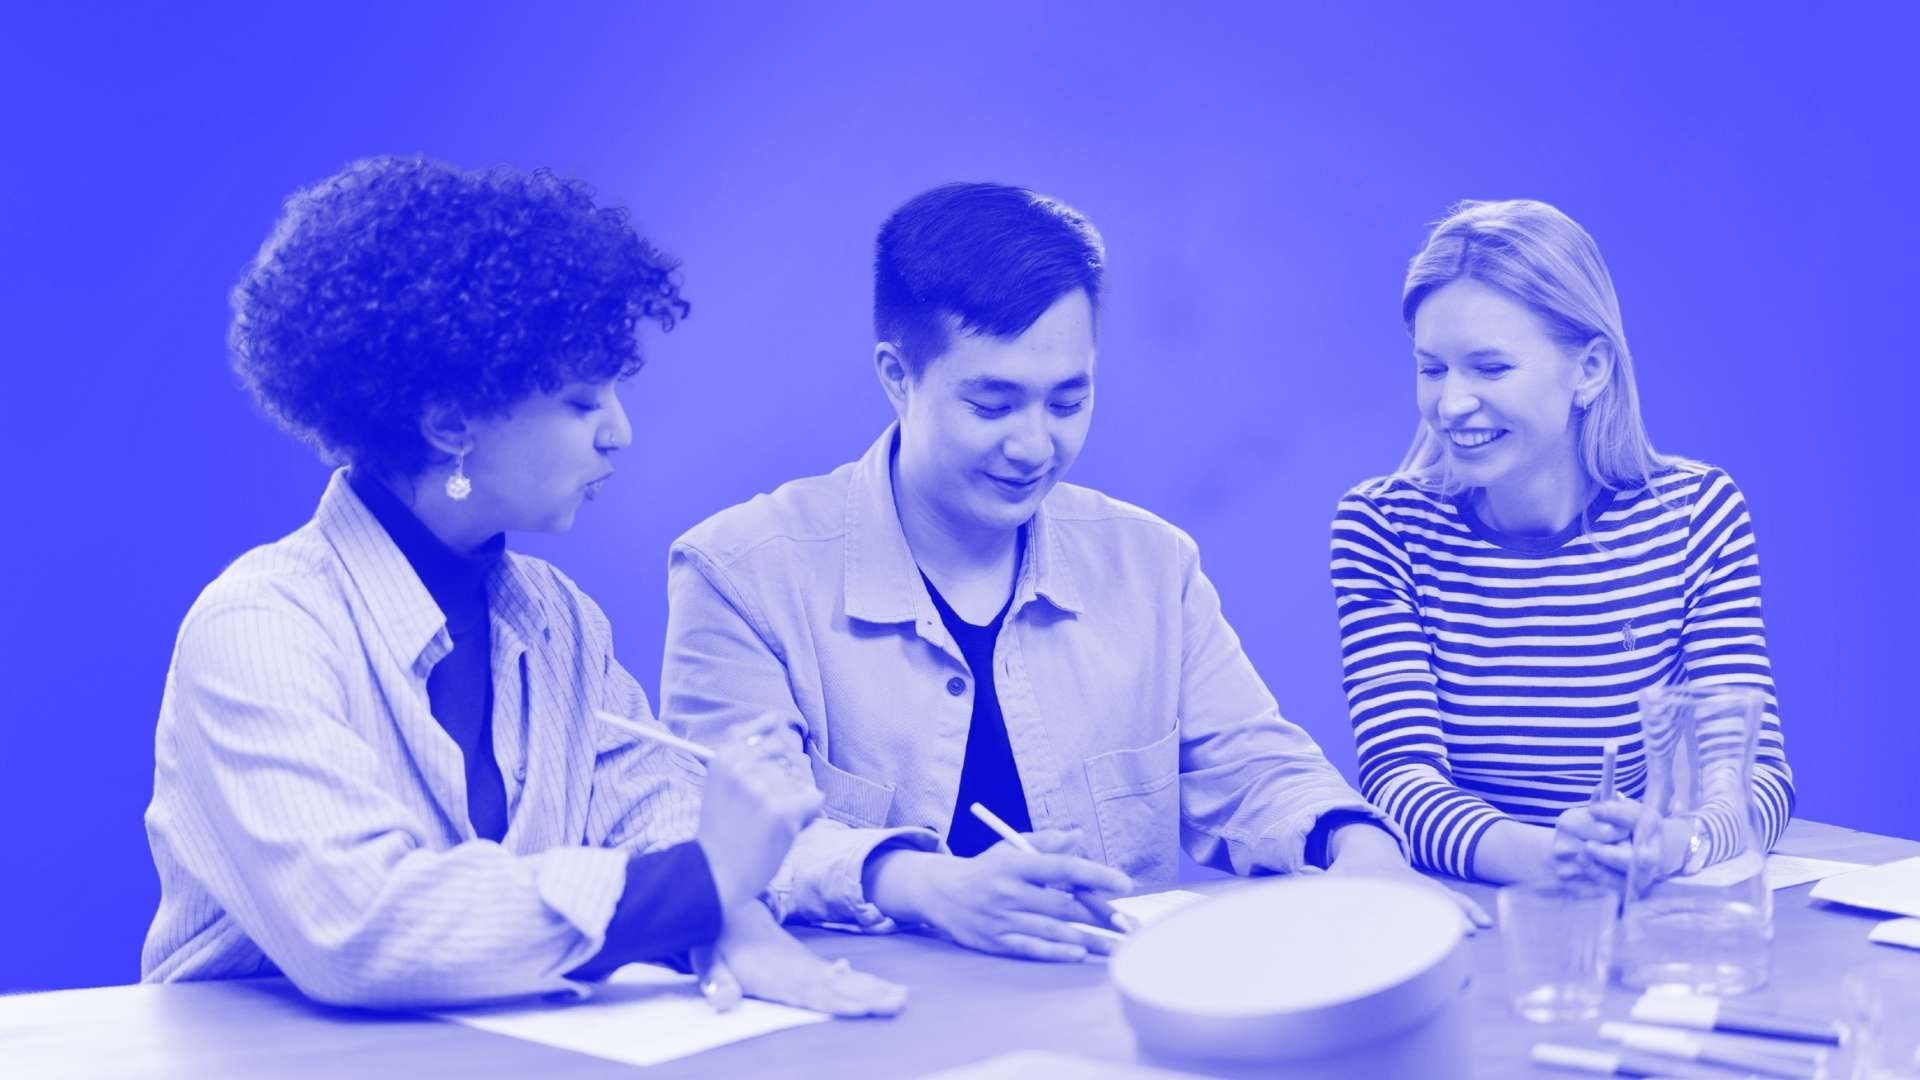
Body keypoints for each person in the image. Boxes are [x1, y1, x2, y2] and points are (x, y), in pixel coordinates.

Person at [141, 155, 903, 1015]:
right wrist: (701, 880)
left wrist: (733, 920)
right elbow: (362, 926)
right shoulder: (260, 627)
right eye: (581, 402)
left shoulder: (561, 620)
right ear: (449, 423)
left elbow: (653, 810)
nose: (619, 432)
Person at [661, 182, 1484, 964]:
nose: (1033, 446)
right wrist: (922, 883)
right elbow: (719, 839)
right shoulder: (741, 574)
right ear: (896, 376)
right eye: (992, 405)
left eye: (1067, 402)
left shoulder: (1151, 566)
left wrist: (1361, 846)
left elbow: (1255, 767)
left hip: (1100, 1022)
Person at [1331, 198, 1794, 886]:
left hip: (1644, 907)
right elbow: (1399, 783)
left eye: (1489, 368)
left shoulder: (1697, 513)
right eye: (1432, 369)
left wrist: (1681, 843)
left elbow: (1753, 771)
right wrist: (1556, 859)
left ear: (1590, 369)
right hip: (1480, 913)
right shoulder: (1383, 529)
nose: (1451, 403)